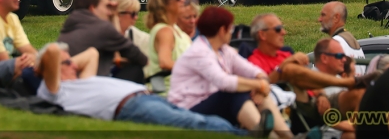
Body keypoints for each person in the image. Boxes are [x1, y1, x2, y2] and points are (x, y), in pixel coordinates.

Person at [35, 42, 241, 132]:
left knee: (198, 121)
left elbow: (92, 53)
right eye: (68, 63)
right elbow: (52, 50)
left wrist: (67, 62)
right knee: (194, 123)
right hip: (131, 106)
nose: (74, 64)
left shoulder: (81, 81)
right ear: (51, 68)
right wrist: (42, 65)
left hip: (146, 97)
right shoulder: (55, 90)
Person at [169, 6, 293, 137]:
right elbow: (224, 82)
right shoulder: (199, 52)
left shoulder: (223, 50)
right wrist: (258, 85)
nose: (231, 32)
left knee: (253, 92)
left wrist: (261, 84)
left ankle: (288, 136)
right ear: (222, 30)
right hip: (187, 109)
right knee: (233, 93)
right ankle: (262, 132)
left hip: (211, 102)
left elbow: (252, 70)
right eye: (231, 28)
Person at [58, 0, 148, 81]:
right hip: (90, 86)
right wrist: (114, 18)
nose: (109, 12)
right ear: (92, 8)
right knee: (134, 70)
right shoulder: (102, 29)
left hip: (64, 86)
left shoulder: (69, 26)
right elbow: (141, 58)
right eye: (107, 6)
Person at [142, 0, 192, 88]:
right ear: (164, 4)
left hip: (185, 89)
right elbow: (165, 62)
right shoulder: (164, 31)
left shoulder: (175, 29)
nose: (183, 0)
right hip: (168, 93)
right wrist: (193, 70)